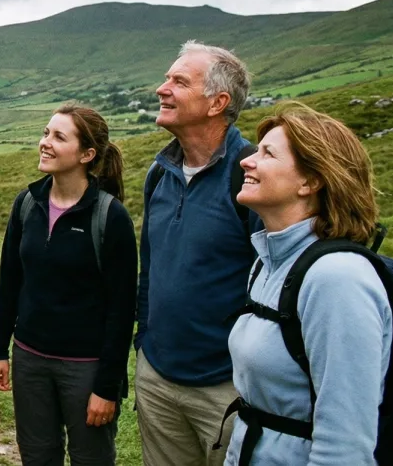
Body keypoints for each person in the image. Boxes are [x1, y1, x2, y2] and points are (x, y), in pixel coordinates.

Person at [222, 102, 392, 465]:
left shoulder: (337, 280)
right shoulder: (268, 261)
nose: (246, 161)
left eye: (267, 153)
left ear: (311, 181)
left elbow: (345, 445)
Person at [0, 104, 138, 466]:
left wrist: (106, 387)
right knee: (38, 457)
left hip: (85, 367)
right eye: (45, 133)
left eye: (58, 136)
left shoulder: (110, 216)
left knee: (91, 459)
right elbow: (10, 279)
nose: (45, 143)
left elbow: (122, 310)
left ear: (87, 154)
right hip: (29, 360)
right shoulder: (27, 203)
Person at [136, 41, 259, 466]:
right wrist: (144, 343)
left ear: (217, 102)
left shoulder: (250, 179)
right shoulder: (159, 173)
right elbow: (148, 269)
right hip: (157, 373)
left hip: (226, 385)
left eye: (179, 81)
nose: (161, 88)